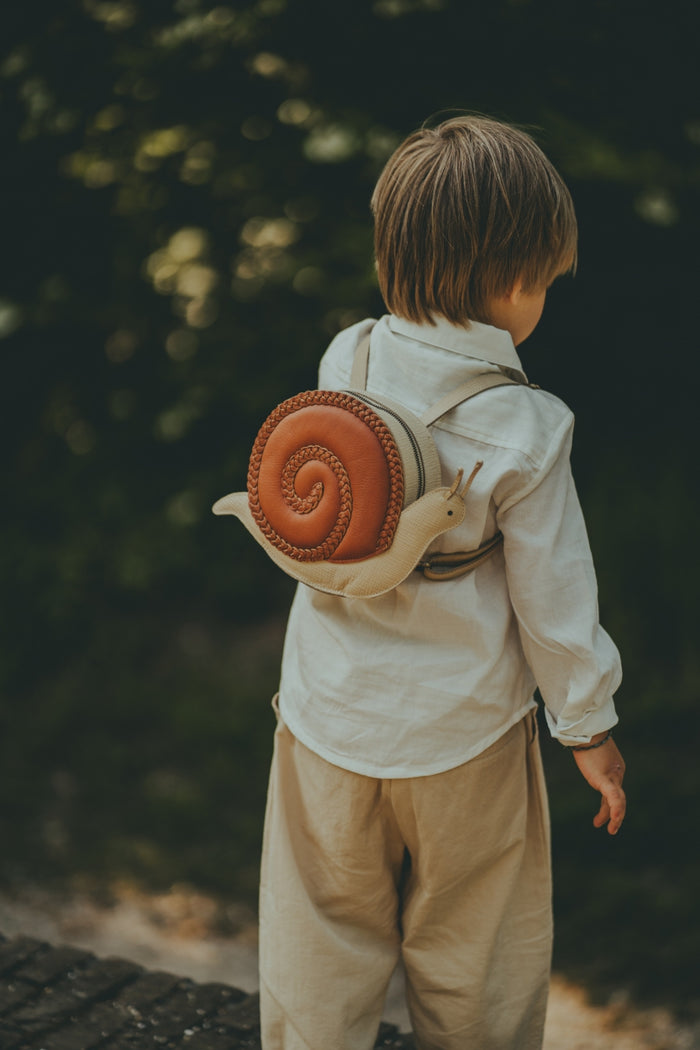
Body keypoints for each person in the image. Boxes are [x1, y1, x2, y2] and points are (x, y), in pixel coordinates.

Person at [257, 115, 626, 1050]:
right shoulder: (529, 429)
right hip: (465, 735)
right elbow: (556, 602)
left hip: (328, 718)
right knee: (478, 950)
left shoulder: (348, 360)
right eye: (543, 281)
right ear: (512, 285)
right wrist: (586, 727)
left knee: (317, 936)